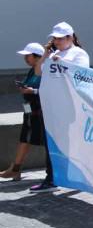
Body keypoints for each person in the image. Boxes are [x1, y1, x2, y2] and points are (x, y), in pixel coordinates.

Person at [28, 22, 91, 193]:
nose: (56, 41)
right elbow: (38, 72)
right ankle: (52, 178)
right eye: (54, 38)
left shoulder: (78, 53)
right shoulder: (53, 53)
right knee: (51, 143)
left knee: (68, 143)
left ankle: (75, 176)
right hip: (50, 107)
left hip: (68, 107)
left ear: (70, 37)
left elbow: (83, 74)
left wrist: (62, 62)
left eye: (59, 38)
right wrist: (46, 55)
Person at [1, 43, 46, 181]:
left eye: (28, 55)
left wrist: (32, 90)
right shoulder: (33, 70)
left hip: (39, 112)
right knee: (24, 138)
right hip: (29, 110)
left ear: (37, 56)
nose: (25, 58)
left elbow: (49, 90)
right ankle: (16, 168)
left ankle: (17, 169)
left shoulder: (44, 70)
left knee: (45, 141)